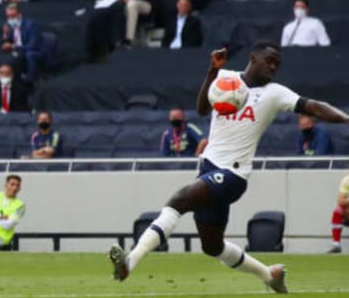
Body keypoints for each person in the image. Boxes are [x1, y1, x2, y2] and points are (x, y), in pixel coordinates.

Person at [110, 41, 349, 293]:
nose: (273, 67)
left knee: (180, 199)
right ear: (253, 58)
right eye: (269, 60)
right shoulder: (227, 79)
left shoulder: (276, 92)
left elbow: (313, 106)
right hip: (208, 168)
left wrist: (346, 118)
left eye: (277, 64)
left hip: (233, 174)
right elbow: (202, 109)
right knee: (212, 247)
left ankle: (130, 261)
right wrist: (212, 71)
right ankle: (269, 275)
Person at [0, 3, 54, 82]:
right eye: (8, 16)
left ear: (19, 15)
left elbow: (33, 46)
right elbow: (8, 41)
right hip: (21, 49)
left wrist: (13, 47)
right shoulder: (10, 26)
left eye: (12, 16)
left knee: (29, 54)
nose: (10, 19)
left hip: (37, 51)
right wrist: (5, 35)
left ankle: (31, 78)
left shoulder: (30, 25)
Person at [0, 175, 26, 249]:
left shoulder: (20, 206)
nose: (14, 188)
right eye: (12, 184)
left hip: (2, 238)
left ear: (19, 188)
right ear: (6, 185)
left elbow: (8, 225)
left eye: (17, 185)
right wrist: (0, 217)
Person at [328, 175, 349, 253]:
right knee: (338, 211)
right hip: (347, 212)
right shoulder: (347, 180)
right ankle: (336, 245)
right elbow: (341, 200)